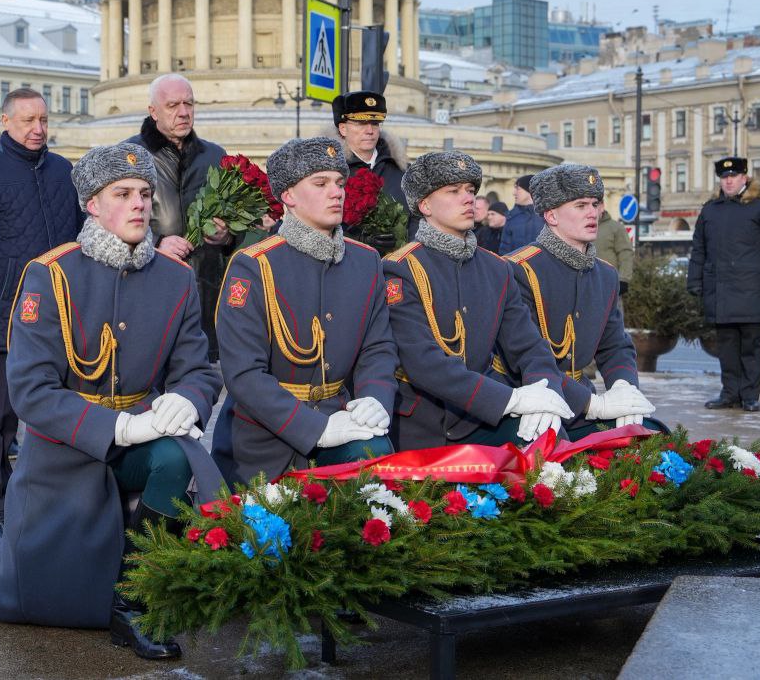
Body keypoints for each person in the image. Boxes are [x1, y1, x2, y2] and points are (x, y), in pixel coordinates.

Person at [0, 144, 222, 661]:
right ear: (92, 205)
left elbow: (196, 368)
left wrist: (188, 403)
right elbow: (32, 393)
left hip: (144, 442)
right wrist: (120, 428)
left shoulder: (175, 279)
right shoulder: (51, 275)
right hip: (67, 448)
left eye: (145, 194)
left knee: (176, 457)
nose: (139, 205)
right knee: (25, 599)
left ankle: (134, 599)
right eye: (122, 194)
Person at [211, 137, 397, 487]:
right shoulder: (253, 266)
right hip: (262, 443)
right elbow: (243, 373)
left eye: (340, 183)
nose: (337, 192)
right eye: (321, 183)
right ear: (289, 196)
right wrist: (316, 428)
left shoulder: (366, 261)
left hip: (341, 418)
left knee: (374, 459)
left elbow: (378, 348)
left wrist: (375, 398)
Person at [0, 87, 84, 530]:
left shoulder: (65, 171)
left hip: (63, 314)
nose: (37, 129)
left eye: (43, 120)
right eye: (27, 120)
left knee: (63, 406)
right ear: (6, 121)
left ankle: (55, 488)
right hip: (6, 313)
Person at [383, 152, 573, 448]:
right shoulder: (400, 268)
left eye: (470, 190)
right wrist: (511, 399)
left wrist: (545, 394)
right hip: (424, 423)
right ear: (425, 205)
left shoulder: (497, 269)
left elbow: (529, 346)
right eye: (453, 191)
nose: (468, 199)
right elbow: (422, 362)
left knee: (550, 439)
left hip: (480, 418)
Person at [503, 165, 660, 440]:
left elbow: (615, 346)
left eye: (595, 204)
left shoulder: (606, 274)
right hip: (533, 403)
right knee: (559, 463)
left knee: (653, 436)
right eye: (580, 205)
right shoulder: (518, 270)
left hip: (582, 403)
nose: (592, 212)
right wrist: (594, 405)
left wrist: (623, 387)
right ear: (551, 215)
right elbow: (520, 360)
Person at [125, 74, 234, 361]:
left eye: (189, 103)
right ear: (153, 111)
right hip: (149, 284)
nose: (183, 112)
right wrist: (157, 241)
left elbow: (234, 221)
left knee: (202, 379)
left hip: (205, 290)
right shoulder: (129, 156)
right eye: (173, 105)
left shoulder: (214, 155)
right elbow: (108, 223)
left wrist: (227, 236)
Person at [688, 156, 760, 412]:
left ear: (745, 177)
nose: (729, 181)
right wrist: (695, 280)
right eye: (724, 177)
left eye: (733, 176)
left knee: (751, 345)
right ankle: (730, 393)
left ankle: (750, 395)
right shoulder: (710, 209)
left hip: (751, 288)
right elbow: (699, 249)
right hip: (720, 289)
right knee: (727, 345)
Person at [499, 174, 546, 254]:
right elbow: (504, 250)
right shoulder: (511, 217)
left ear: (529, 191)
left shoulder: (546, 216)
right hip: (515, 265)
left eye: (518, 188)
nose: (514, 193)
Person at [595, 201, 634, 297]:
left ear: (602, 206)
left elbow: (625, 253)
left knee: (613, 311)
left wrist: (623, 279)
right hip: (587, 286)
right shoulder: (581, 228)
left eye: (595, 205)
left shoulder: (615, 228)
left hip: (610, 286)